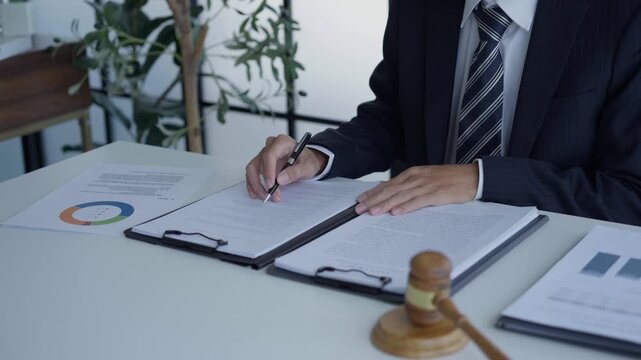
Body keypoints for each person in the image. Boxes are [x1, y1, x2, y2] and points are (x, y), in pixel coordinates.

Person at [245, 0, 641, 226]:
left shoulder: (623, 16)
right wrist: (319, 156)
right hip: (410, 239)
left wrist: (480, 180)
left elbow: (629, 194)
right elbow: (392, 119)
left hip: (546, 249)